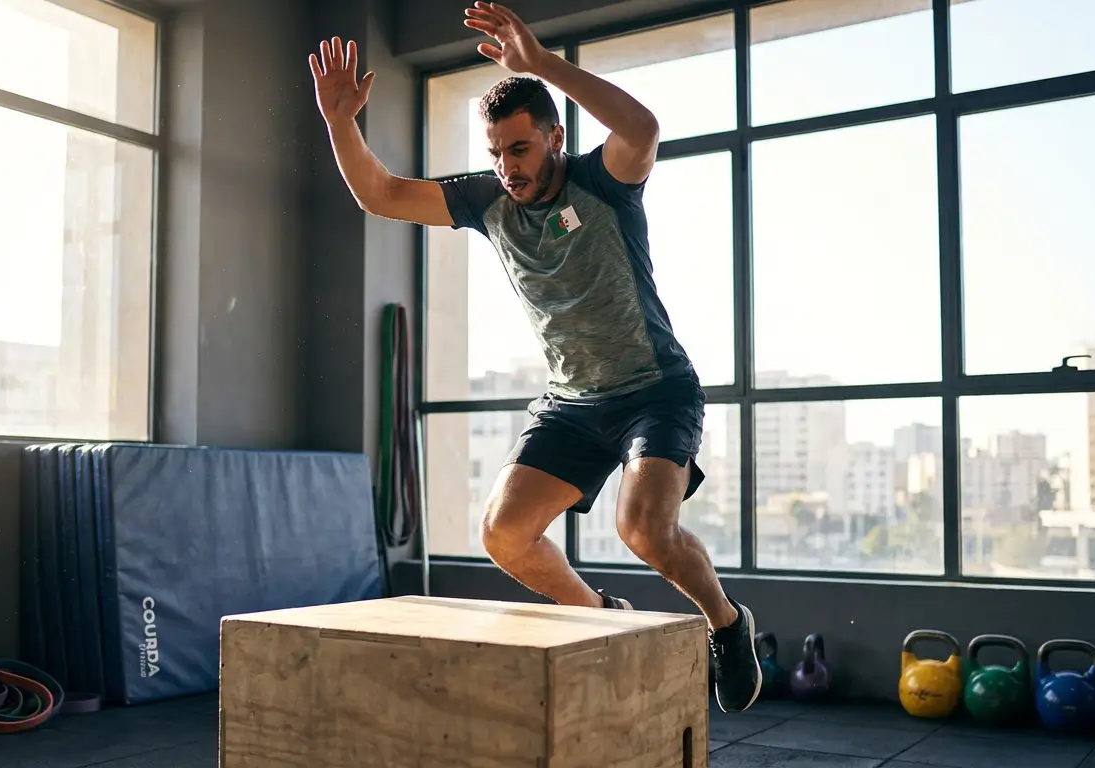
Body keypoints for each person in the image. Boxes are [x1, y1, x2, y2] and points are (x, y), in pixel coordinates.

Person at [308, 1, 762, 713]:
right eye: (495, 152)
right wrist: (341, 122)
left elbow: (642, 128)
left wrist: (542, 63)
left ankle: (728, 626)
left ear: (553, 137)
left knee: (645, 529)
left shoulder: (604, 181)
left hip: (655, 391)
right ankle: (598, 614)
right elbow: (381, 193)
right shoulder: (488, 202)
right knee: (504, 532)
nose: (506, 167)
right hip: (572, 403)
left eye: (518, 150)